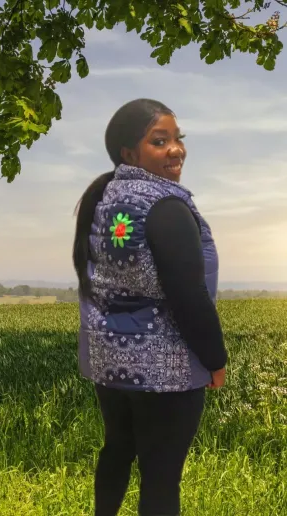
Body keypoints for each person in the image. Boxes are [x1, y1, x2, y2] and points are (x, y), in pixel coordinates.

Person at [73, 98, 227, 516]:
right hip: (166, 371)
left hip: (110, 363)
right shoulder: (166, 207)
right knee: (161, 479)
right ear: (129, 153)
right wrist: (215, 360)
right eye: (160, 141)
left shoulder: (105, 199)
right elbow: (189, 295)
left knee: (117, 450)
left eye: (178, 139)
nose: (176, 149)